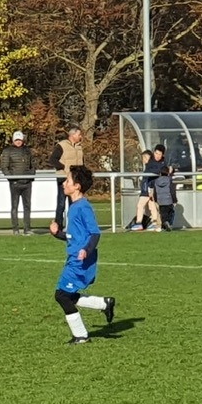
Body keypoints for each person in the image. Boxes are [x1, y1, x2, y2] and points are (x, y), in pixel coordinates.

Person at [49, 165, 116, 344]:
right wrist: (57, 234)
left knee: (62, 295)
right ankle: (104, 303)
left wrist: (86, 250)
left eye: (68, 180)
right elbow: (74, 236)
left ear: (77, 186)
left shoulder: (83, 207)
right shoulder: (74, 206)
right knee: (68, 295)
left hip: (80, 260)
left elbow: (95, 233)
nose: (64, 183)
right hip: (74, 257)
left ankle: (81, 335)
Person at [47, 126, 84, 228]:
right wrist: (64, 168)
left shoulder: (79, 147)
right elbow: (53, 160)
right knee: (61, 203)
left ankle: (74, 225)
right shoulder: (62, 145)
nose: (80, 137)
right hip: (63, 179)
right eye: (79, 134)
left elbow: (82, 162)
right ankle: (58, 226)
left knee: (75, 203)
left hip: (75, 180)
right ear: (73, 135)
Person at [0, 130, 35, 234]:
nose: (18, 142)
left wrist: (30, 176)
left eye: (20, 140)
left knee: (27, 206)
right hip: (15, 183)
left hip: (27, 183)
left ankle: (27, 228)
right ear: (13, 140)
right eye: (16, 140)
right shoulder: (7, 151)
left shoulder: (27, 150)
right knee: (14, 206)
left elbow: (33, 165)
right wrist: (12, 179)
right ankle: (15, 229)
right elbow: (4, 167)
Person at [129, 146, 165, 231]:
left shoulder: (153, 166)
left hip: (147, 190)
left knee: (140, 205)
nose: (143, 160)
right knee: (151, 205)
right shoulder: (150, 166)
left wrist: (150, 189)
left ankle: (139, 223)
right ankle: (154, 222)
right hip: (148, 189)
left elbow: (152, 177)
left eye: (144, 158)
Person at [153, 166, 178, 231]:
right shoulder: (169, 180)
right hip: (168, 199)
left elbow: (155, 192)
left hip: (160, 200)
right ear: (167, 172)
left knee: (163, 214)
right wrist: (174, 200)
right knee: (170, 213)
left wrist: (155, 199)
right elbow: (172, 191)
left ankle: (164, 226)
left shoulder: (156, 181)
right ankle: (168, 223)